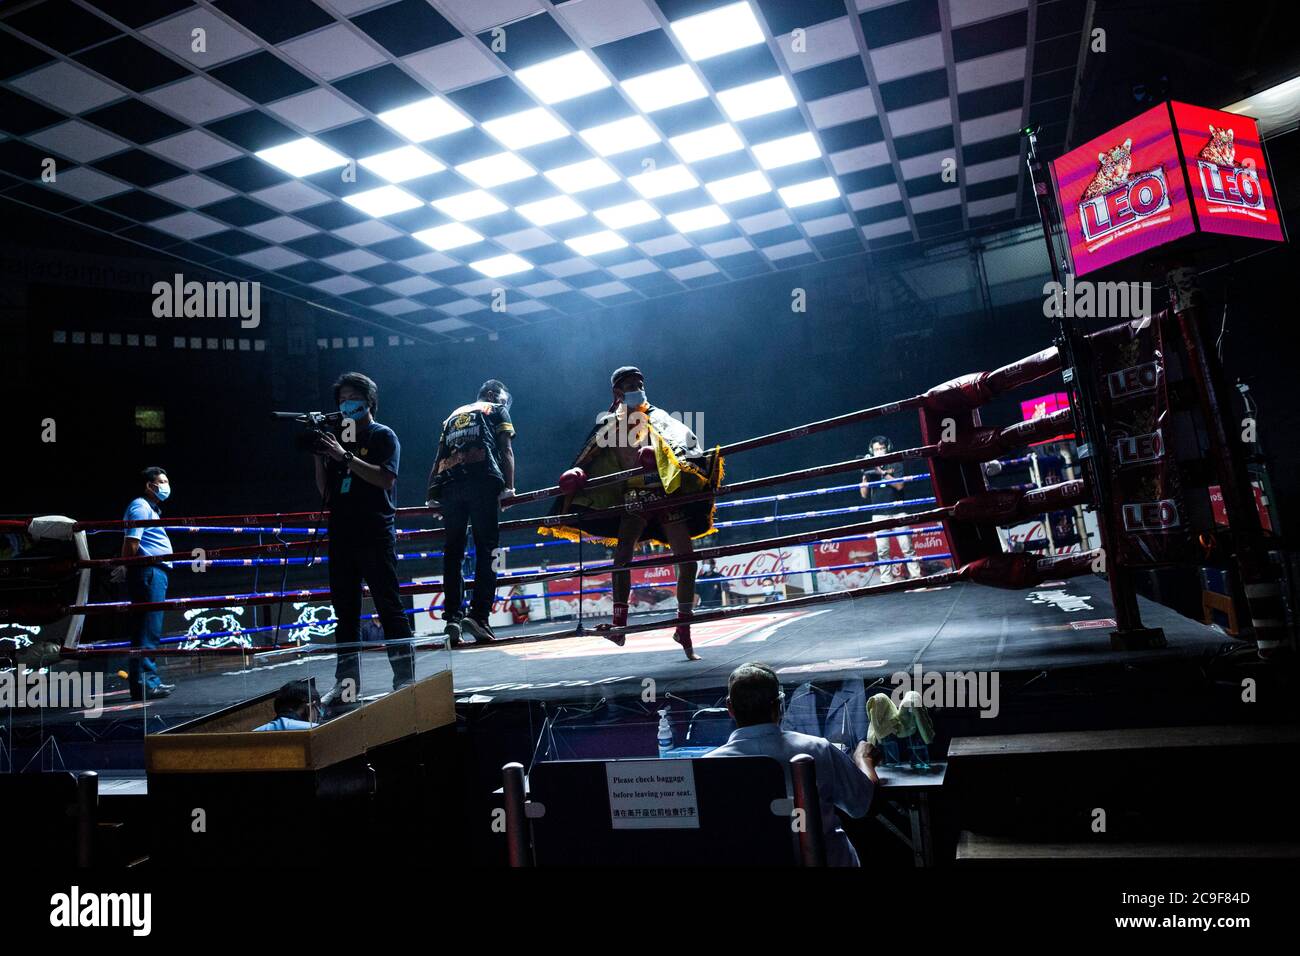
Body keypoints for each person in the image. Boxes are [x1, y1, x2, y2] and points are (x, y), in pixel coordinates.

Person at [543, 367, 723, 661]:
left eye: (640, 383)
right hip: (633, 498)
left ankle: (684, 627)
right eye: (631, 385)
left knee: (687, 562)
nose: (638, 388)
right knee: (622, 558)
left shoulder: (659, 417)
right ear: (617, 391)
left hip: (666, 495)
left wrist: (663, 459)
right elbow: (589, 457)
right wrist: (578, 473)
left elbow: (684, 445)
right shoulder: (607, 425)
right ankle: (619, 626)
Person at [707, 663, 878, 866]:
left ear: (730, 708)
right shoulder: (818, 749)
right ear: (779, 704)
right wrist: (864, 760)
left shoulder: (707, 768)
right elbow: (862, 804)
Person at [314, 372, 414, 706]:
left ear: (369, 401)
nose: (346, 403)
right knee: (345, 614)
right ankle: (346, 687)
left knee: (389, 607)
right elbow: (326, 494)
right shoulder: (339, 437)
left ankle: (405, 681)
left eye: (353, 396)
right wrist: (320, 456)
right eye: (342, 399)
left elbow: (385, 479)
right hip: (341, 534)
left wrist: (344, 456)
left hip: (375, 532)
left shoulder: (383, 435)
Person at [426, 379, 516, 645]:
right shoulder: (495, 409)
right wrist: (509, 487)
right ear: (491, 393)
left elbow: (438, 456)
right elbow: (506, 449)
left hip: (450, 487)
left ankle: (453, 618)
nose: (504, 403)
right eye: (503, 398)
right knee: (489, 550)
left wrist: (432, 494)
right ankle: (479, 616)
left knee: (453, 552)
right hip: (483, 481)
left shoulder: (453, 415)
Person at [115, 466, 177, 701]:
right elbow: (132, 542)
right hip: (148, 571)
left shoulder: (149, 509)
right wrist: (125, 565)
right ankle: (146, 684)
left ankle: (146, 682)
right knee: (147, 629)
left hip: (152, 571)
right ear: (150, 485)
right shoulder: (140, 507)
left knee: (147, 629)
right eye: (162, 481)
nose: (166, 486)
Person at [860, 435, 920, 582]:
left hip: (899, 511)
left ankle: (917, 578)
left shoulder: (896, 463)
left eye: (881, 448)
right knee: (882, 550)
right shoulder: (870, 468)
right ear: (872, 451)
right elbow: (864, 495)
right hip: (879, 513)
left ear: (887, 449)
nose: (879, 451)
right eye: (876, 449)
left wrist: (882, 473)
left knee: (907, 548)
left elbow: (900, 485)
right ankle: (886, 581)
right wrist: (864, 476)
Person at [253, 681, 321, 731]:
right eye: (317, 708)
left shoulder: (253, 733)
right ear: (309, 706)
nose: (318, 713)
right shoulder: (316, 730)